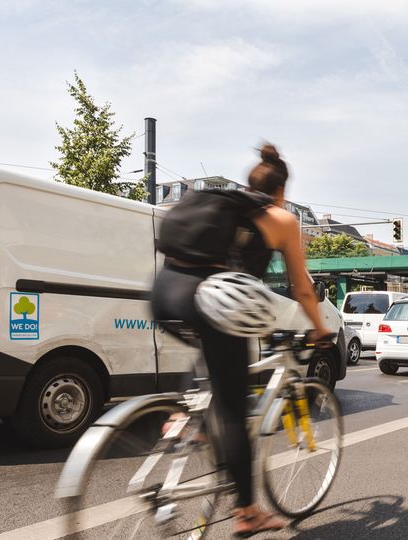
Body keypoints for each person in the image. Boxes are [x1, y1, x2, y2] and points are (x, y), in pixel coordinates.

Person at [151, 143, 330, 537]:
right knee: (233, 410)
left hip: (164, 293)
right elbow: (301, 288)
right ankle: (248, 512)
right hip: (211, 301)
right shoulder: (280, 218)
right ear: (282, 190)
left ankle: (185, 418)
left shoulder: (220, 204)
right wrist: (319, 329)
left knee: (208, 357)